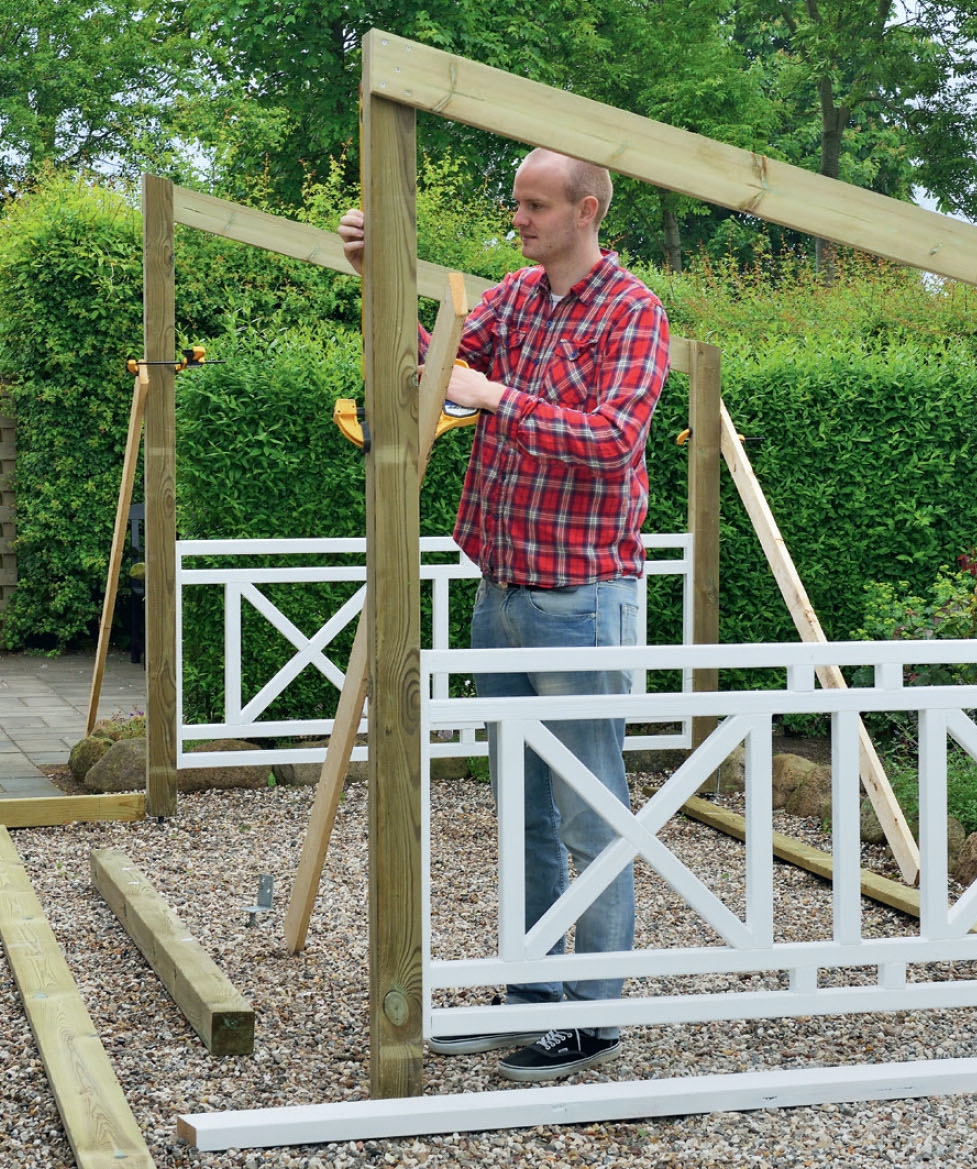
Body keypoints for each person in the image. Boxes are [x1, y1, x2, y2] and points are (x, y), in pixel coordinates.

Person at [338, 148, 669, 1083]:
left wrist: (497, 398)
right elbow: (431, 362)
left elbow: (613, 441)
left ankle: (595, 1016)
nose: (518, 217)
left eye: (535, 204)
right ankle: (534, 995)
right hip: (503, 592)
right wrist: (376, 274)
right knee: (520, 809)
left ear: (587, 210)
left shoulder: (633, 310)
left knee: (589, 813)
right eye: (516, 202)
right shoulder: (515, 298)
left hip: (580, 599)